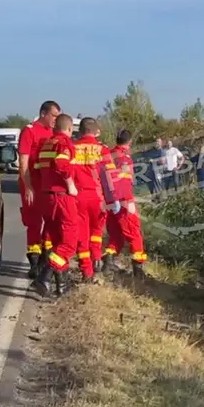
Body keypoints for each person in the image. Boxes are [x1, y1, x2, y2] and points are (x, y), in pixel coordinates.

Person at [34, 113, 79, 298]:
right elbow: (61, 164)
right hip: (62, 196)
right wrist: (71, 185)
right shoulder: (64, 143)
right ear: (69, 129)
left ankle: (62, 285)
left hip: (47, 198)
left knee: (57, 241)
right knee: (69, 243)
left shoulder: (46, 144)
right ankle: (44, 276)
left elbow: (38, 169)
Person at [72, 117, 118, 283]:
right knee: (97, 232)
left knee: (81, 235)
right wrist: (113, 199)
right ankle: (97, 258)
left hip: (77, 197)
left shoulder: (72, 148)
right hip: (98, 198)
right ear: (94, 131)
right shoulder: (103, 149)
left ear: (81, 130)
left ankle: (86, 271)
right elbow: (109, 177)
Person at [18, 100, 60, 277]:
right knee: (34, 223)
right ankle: (34, 263)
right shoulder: (29, 131)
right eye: (53, 116)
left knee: (51, 221)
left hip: (47, 186)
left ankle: (45, 257)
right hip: (33, 185)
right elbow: (23, 162)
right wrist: (28, 187)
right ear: (43, 113)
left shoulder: (53, 133)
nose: (55, 120)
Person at [103, 129, 147, 278]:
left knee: (116, 235)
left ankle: (108, 262)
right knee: (135, 233)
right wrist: (128, 202)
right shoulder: (124, 158)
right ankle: (138, 269)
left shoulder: (108, 154)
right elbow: (123, 181)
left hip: (109, 202)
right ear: (130, 142)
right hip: (123, 201)